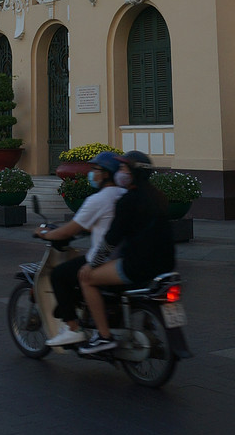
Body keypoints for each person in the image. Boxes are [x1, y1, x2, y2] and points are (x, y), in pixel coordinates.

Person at [77, 151, 176, 356]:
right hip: (167, 265)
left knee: (86, 278)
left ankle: (104, 336)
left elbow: (111, 239)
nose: (120, 173)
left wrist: (92, 264)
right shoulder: (158, 197)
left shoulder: (128, 201)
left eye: (124, 169)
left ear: (134, 173)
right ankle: (147, 325)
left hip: (137, 265)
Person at [33, 152, 122, 348]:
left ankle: (73, 329)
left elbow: (71, 229)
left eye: (95, 170)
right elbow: (102, 224)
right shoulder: (123, 195)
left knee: (59, 275)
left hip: (103, 259)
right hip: (123, 257)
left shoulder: (98, 200)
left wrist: (46, 234)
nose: (92, 174)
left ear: (106, 174)